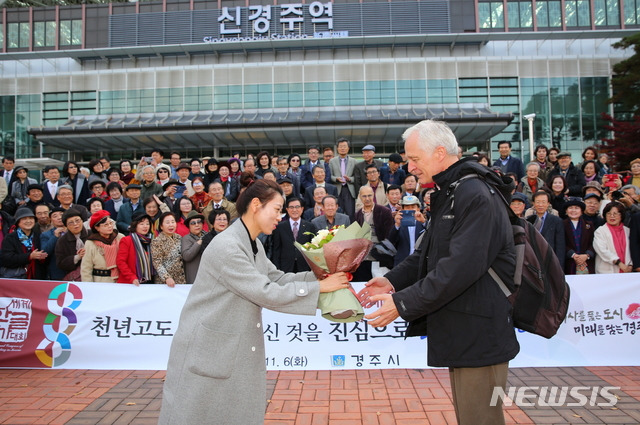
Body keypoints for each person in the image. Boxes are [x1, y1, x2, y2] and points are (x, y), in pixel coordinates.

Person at [358, 119, 519, 425]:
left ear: (441, 152)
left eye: (415, 159)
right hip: (463, 327)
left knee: (480, 418)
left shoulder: (474, 193)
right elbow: (426, 254)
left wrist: (403, 303)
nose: (411, 168)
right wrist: (391, 281)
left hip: (480, 331)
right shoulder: (453, 190)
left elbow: (459, 267)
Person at [158, 179, 348, 425]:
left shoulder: (252, 242)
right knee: (196, 414)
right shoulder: (228, 246)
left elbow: (276, 277)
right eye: (277, 209)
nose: (279, 217)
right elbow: (265, 291)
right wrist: (320, 287)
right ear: (256, 205)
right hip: (211, 348)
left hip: (227, 346)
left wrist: (319, 275)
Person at [354, 185, 394, 280]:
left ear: (373, 195)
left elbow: (389, 234)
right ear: (360, 197)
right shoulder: (358, 214)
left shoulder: (384, 211)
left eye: (369, 195)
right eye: (364, 196)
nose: (367, 199)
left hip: (380, 257)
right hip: (364, 258)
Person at [0, 208, 47, 279]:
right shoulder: (10, 237)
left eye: (31, 218)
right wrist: (29, 256)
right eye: (24, 219)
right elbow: (7, 259)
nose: (28, 221)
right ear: (18, 222)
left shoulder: (37, 235)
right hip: (16, 277)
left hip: (35, 276)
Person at [271, 197, 316, 273]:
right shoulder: (280, 227)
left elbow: (313, 249)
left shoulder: (310, 226)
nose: (294, 210)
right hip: (285, 267)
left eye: (297, 207)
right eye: (291, 207)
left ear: (302, 209)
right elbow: (276, 250)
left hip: (304, 267)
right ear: (287, 209)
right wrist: (277, 268)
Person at [81, 210, 124, 283]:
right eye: (105, 225)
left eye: (110, 223)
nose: (110, 226)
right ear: (97, 228)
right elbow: (86, 268)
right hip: (100, 281)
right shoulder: (90, 243)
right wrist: (88, 286)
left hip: (119, 280)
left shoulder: (120, 237)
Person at [115, 211, 156, 285]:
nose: (145, 226)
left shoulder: (152, 240)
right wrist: (132, 277)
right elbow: (120, 262)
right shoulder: (127, 240)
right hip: (132, 282)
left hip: (150, 282)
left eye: (147, 223)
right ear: (135, 225)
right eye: (141, 224)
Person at [593, 201, 633, 274]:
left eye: (615, 213)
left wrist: (630, 264)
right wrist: (619, 263)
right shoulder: (600, 231)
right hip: (606, 271)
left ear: (621, 215)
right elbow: (602, 250)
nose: (612, 216)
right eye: (608, 213)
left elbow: (632, 249)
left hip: (627, 271)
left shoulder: (627, 231)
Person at [387, 195, 426, 267]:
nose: (410, 209)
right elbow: (391, 241)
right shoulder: (397, 222)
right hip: (402, 262)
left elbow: (432, 236)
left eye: (413, 207)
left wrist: (424, 223)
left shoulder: (424, 223)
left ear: (418, 208)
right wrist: (397, 225)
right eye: (407, 207)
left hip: (420, 262)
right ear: (402, 209)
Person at [527, 190, 565, 263]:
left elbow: (560, 247)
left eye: (543, 202)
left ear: (548, 204)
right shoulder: (528, 221)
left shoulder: (556, 221)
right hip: (532, 259)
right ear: (533, 203)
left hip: (550, 259)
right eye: (538, 202)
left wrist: (559, 265)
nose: (540, 205)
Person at [151, 212, 187, 287]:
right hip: (165, 282)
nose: (171, 225)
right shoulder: (157, 241)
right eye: (167, 222)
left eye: (173, 222)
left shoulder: (179, 237)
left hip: (180, 279)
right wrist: (166, 277)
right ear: (161, 226)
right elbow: (157, 262)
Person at [563, 198, 596, 275]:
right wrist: (573, 255)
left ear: (581, 211)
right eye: (570, 208)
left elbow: (593, 243)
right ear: (566, 211)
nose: (573, 210)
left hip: (587, 262)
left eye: (576, 208)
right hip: (569, 262)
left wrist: (587, 255)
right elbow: (561, 243)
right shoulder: (561, 224)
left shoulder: (589, 225)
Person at [55, 209, 88, 281]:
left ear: (82, 221)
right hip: (75, 277)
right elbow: (60, 263)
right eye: (71, 223)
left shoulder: (91, 234)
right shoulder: (62, 241)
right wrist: (77, 257)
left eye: (77, 221)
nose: (75, 224)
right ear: (66, 226)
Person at [329, 138, 356, 220]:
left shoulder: (354, 161)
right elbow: (329, 176)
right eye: (340, 146)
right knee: (337, 212)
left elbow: (357, 177)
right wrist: (336, 179)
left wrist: (350, 179)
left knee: (350, 212)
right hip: (337, 189)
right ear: (337, 148)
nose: (342, 148)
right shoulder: (332, 161)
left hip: (349, 189)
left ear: (348, 148)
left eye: (344, 146)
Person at [181, 210, 208, 284]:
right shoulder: (186, 238)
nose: (197, 225)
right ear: (188, 226)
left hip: (208, 275)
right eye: (193, 223)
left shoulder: (209, 236)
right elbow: (187, 256)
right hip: (194, 276)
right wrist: (199, 242)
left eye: (199, 222)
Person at [40, 207, 66, 280]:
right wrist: (55, 237)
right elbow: (45, 252)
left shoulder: (74, 231)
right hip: (56, 272)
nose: (59, 218)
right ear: (51, 220)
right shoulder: (46, 235)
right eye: (55, 216)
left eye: (61, 215)